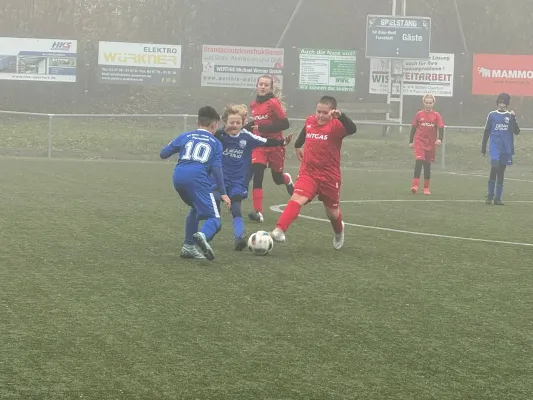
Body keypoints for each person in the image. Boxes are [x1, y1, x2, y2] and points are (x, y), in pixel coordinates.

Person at [271, 96, 357, 249]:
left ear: (333, 112)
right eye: (318, 111)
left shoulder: (337, 125)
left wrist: (342, 117)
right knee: (297, 198)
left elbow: (352, 129)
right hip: (309, 172)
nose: (320, 115)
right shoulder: (310, 120)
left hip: (329, 176)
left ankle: (339, 231)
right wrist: (298, 145)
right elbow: (305, 133)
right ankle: (279, 230)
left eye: (325, 112)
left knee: (332, 213)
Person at [214, 104, 292, 250]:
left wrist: (281, 142)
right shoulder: (220, 135)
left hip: (237, 182)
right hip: (219, 181)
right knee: (214, 213)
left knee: (236, 209)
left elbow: (265, 141)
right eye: (231, 122)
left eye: (238, 122)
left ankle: (239, 238)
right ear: (225, 122)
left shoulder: (246, 136)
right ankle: (206, 235)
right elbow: (212, 138)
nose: (235, 125)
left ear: (243, 123)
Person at [160, 106, 231, 261]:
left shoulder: (185, 136)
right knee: (215, 219)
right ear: (214, 124)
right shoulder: (216, 143)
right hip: (198, 179)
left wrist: (174, 143)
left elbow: (163, 153)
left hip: (178, 177)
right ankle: (202, 235)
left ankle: (188, 247)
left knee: (195, 208)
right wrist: (223, 192)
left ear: (198, 122)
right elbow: (216, 168)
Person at [245, 75, 293, 223]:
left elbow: (285, 124)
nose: (263, 86)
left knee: (277, 178)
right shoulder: (253, 105)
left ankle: (287, 179)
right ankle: (258, 212)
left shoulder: (273, 103)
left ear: (271, 88)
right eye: (261, 84)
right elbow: (255, 124)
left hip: (275, 145)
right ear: (257, 85)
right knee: (257, 175)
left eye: (266, 85)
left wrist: (262, 127)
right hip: (259, 145)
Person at [481, 93, 520, 205]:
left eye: (504, 103)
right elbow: (487, 131)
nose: (502, 105)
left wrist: (513, 118)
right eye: (500, 102)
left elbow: (516, 132)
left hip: (506, 147)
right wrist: (483, 147)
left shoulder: (510, 115)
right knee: (494, 166)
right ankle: (490, 195)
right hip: (495, 146)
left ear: (507, 104)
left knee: (501, 171)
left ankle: (498, 198)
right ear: (497, 103)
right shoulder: (492, 115)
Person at [409, 94, 445, 195]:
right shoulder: (419, 114)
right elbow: (413, 128)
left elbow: (441, 128)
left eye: (430, 103)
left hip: (430, 143)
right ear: (423, 103)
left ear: (433, 103)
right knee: (419, 161)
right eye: (426, 102)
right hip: (419, 141)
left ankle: (426, 188)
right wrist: (411, 141)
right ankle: (415, 185)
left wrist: (439, 139)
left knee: (427, 165)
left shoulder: (436, 115)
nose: (428, 104)